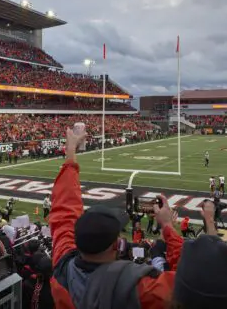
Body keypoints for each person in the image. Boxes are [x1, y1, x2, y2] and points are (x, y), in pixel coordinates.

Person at [49, 125, 184, 308]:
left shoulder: (62, 272)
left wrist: (71, 153)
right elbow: (187, 285)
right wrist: (168, 227)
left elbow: (63, 213)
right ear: (116, 245)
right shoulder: (141, 288)